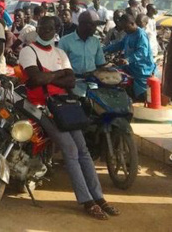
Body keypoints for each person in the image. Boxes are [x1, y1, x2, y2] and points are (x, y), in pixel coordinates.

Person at [19, 16, 120, 220]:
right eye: (42, 27)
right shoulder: (28, 51)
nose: (45, 31)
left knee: (83, 150)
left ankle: (98, 197)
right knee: (70, 148)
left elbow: (71, 82)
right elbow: (35, 79)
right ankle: (87, 201)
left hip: (64, 105)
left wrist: (50, 76)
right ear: (37, 29)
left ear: (57, 30)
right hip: (42, 106)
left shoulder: (60, 52)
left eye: (50, 28)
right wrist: (58, 76)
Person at [104, 14, 156, 100]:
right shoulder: (128, 34)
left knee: (143, 96)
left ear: (132, 23)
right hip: (130, 68)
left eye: (126, 27)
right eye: (123, 28)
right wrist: (104, 49)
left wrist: (128, 60)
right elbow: (120, 44)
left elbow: (142, 52)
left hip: (142, 70)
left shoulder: (140, 34)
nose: (124, 30)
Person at [59, 11, 106, 76]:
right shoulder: (65, 41)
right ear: (82, 24)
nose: (95, 29)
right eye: (93, 25)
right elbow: (60, 66)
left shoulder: (95, 41)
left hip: (92, 80)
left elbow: (100, 64)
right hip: (73, 80)